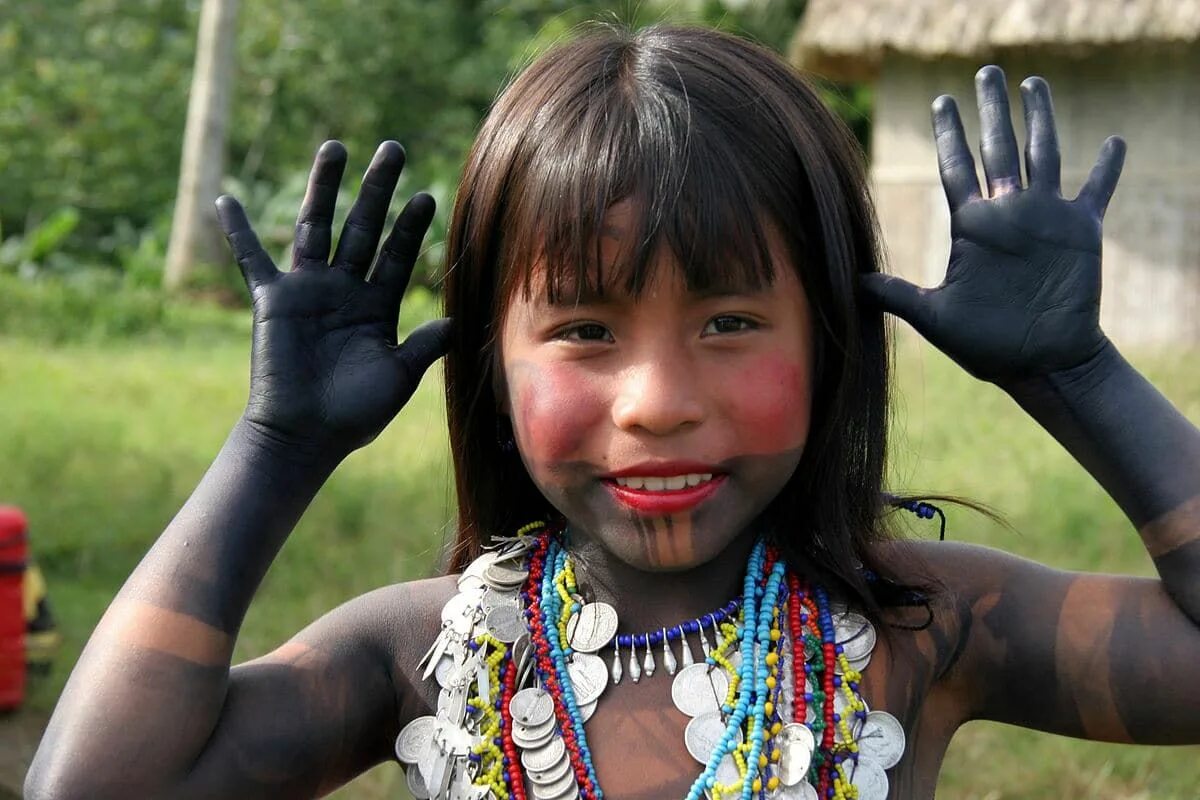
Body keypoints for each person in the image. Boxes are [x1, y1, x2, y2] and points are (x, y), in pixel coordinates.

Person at [24, 23, 1200, 800]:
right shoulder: (419, 654)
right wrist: (276, 449)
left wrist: (1075, 372)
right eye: (584, 330)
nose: (656, 403)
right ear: (491, 357)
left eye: (730, 323)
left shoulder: (919, 625)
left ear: (831, 341)